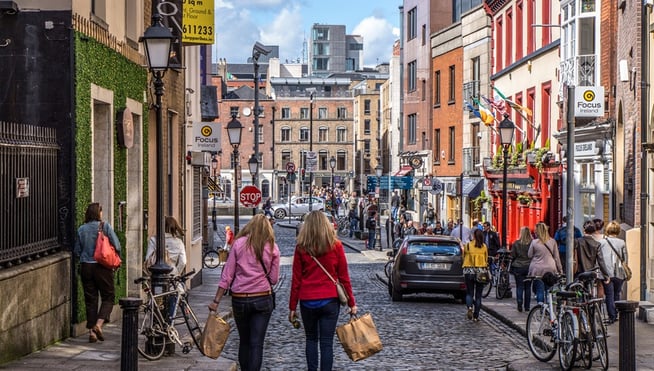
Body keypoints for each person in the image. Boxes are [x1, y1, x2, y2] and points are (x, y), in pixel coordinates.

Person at [208, 214, 280, 371]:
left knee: (244, 341)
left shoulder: (239, 244)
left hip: (240, 299)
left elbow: (227, 275)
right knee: (257, 343)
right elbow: (274, 279)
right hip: (262, 298)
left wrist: (216, 301)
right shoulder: (272, 246)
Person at [289, 211, 357, 371]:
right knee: (327, 343)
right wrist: (352, 303)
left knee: (311, 340)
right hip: (330, 301)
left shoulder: (301, 248)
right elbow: (344, 277)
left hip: (307, 301)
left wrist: (292, 307)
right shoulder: (336, 246)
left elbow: (296, 280)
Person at [74, 202, 121, 343]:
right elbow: (117, 244)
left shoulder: (81, 229)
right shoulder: (104, 226)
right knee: (108, 296)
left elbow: (77, 251)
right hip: (102, 267)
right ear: (98, 213)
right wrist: (117, 257)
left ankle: (91, 332)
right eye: (101, 211)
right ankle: (98, 326)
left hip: (86, 267)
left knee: (91, 299)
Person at [598, 221, 628, 324]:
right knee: (617, 294)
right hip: (619, 272)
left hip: (606, 273)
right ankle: (616, 313)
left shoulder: (602, 243)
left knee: (609, 295)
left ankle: (612, 316)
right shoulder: (622, 242)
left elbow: (600, 259)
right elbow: (625, 259)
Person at [528, 222, 562, 305]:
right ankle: (549, 309)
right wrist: (560, 269)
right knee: (548, 290)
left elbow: (529, 255)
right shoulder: (553, 241)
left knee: (539, 289)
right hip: (550, 268)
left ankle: (541, 308)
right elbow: (557, 257)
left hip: (537, 269)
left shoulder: (534, 242)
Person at [462, 229, 489, 322]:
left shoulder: (468, 245)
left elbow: (464, 256)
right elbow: (486, 259)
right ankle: (476, 316)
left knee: (469, 292)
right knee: (478, 295)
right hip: (480, 272)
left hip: (469, 271)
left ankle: (469, 307)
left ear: (473, 236)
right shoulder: (484, 246)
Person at [511, 227, 533, 312]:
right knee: (528, 287)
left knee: (519, 286)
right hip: (529, 266)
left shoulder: (516, 243)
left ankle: (519, 304)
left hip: (518, 266)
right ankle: (527, 306)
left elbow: (513, 255)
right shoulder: (532, 243)